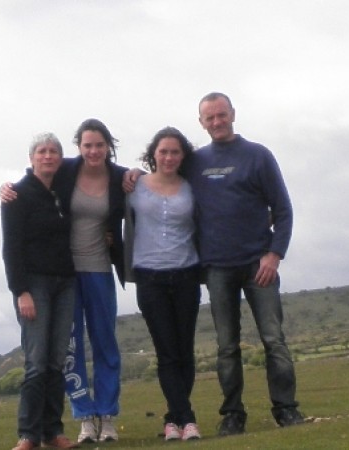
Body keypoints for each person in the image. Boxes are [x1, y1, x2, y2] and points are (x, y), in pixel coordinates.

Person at [125, 92, 305, 436]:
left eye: (222, 115)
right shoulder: (195, 162)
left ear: (233, 114)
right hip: (215, 268)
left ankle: (286, 409)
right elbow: (164, 173)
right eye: (210, 118)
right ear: (201, 122)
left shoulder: (258, 156)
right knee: (226, 346)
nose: (217, 122)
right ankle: (233, 414)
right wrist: (133, 173)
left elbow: (282, 209)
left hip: (258, 264)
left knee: (273, 339)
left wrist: (274, 254)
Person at [1, 119, 128, 443]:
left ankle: (105, 416)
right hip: (54, 278)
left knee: (97, 347)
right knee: (60, 355)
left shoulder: (114, 176)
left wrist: (138, 173)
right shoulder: (55, 177)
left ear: (108, 146)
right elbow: (13, 243)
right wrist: (21, 291)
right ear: (78, 148)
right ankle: (79, 420)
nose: (94, 151)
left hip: (91, 272)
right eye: (87, 145)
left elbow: (134, 177)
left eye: (100, 145)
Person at [0, 133, 80, 450]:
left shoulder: (62, 190)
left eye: (54, 152)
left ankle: (53, 433)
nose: (48, 156)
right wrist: (21, 291)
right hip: (33, 284)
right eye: (42, 151)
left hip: (65, 282)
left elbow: (93, 163)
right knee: (36, 362)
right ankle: (28, 435)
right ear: (32, 158)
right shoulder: (16, 195)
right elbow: (12, 248)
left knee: (56, 361)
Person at [123, 127, 202, 441]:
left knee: (185, 351)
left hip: (186, 275)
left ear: (183, 156)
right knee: (167, 352)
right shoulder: (134, 186)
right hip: (150, 277)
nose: (169, 157)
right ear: (153, 154)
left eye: (175, 152)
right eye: (163, 151)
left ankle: (173, 420)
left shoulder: (192, 187)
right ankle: (188, 419)